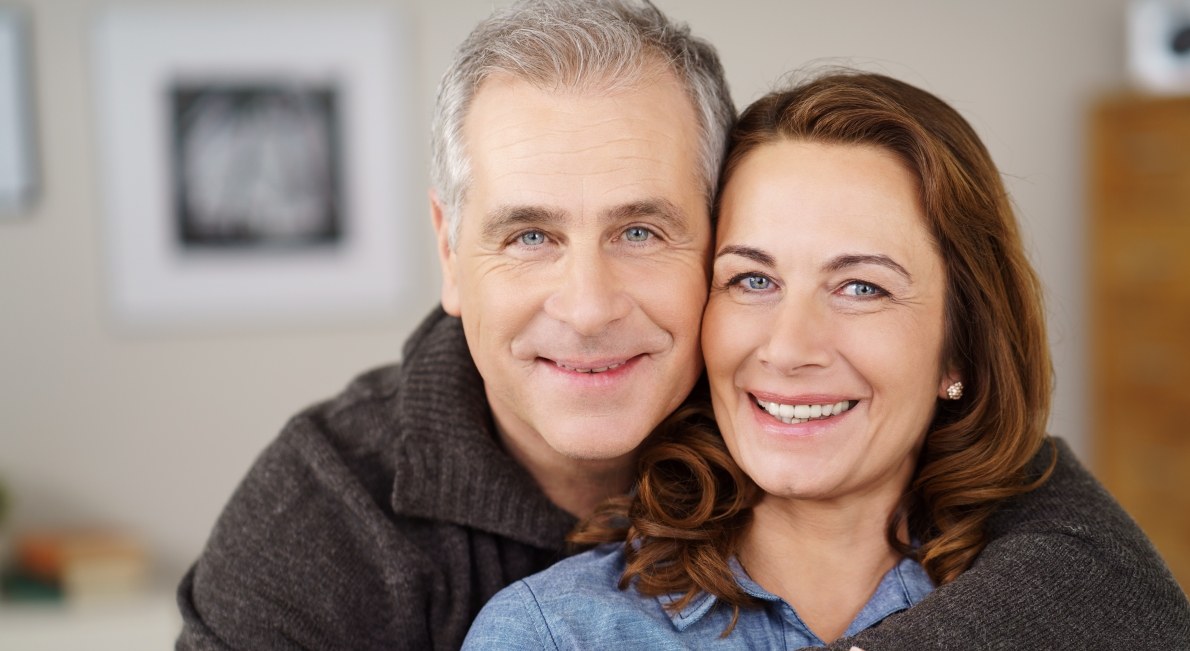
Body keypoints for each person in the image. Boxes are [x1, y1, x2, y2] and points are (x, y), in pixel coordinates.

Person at [177, 2, 1185, 649]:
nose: (586, 305)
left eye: (642, 230)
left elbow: (1105, 576)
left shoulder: (790, 395)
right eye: (528, 234)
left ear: (713, 231)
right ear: (448, 253)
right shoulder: (323, 517)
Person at [462, 70, 1190, 649]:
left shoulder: (1077, 605)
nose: (788, 346)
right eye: (753, 279)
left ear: (959, 348)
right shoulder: (557, 633)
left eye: (861, 286)